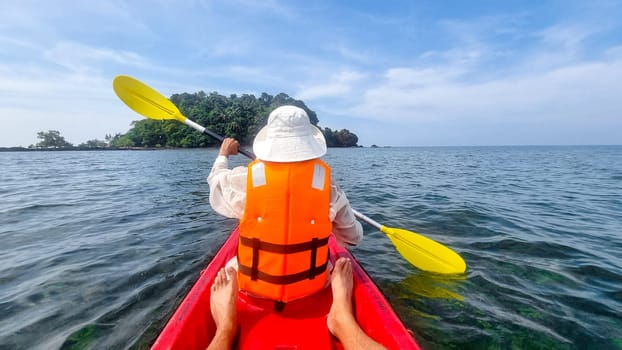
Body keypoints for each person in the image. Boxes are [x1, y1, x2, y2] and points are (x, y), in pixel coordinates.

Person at [206, 105, 385, 349]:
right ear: (310, 145)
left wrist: (223, 155)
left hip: (251, 286)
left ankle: (226, 326)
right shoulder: (329, 188)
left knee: (232, 264)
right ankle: (341, 318)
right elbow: (353, 239)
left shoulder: (245, 180)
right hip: (315, 286)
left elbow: (216, 187)